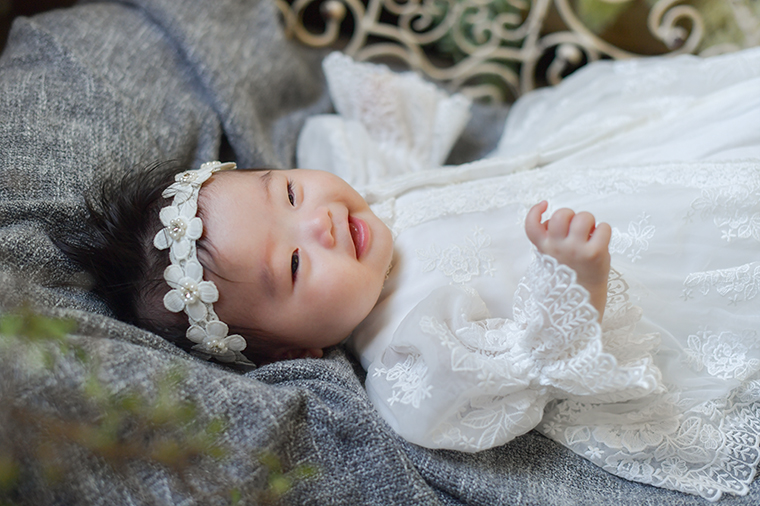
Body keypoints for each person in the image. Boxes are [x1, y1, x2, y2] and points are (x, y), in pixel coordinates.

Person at [64, 48, 760, 501]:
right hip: (645, 265)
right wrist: (572, 277)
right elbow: (533, 362)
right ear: (297, 351)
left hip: (609, 165)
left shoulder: (367, 199)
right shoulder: (408, 357)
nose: (320, 223)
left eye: (287, 193)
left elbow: (377, 136)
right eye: (298, 265)